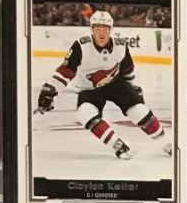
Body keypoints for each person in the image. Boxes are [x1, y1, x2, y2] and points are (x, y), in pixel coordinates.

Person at [36, 9, 171, 162]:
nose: (101, 33)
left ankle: (165, 142)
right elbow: (66, 71)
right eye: (97, 29)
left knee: (139, 111)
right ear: (92, 29)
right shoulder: (81, 46)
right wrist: (50, 91)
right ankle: (117, 145)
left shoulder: (120, 45)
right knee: (85, 114)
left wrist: (133, 88)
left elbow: (128, 70)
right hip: (89, 89)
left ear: (110, 29)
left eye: (105, 29)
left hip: (116, 84)